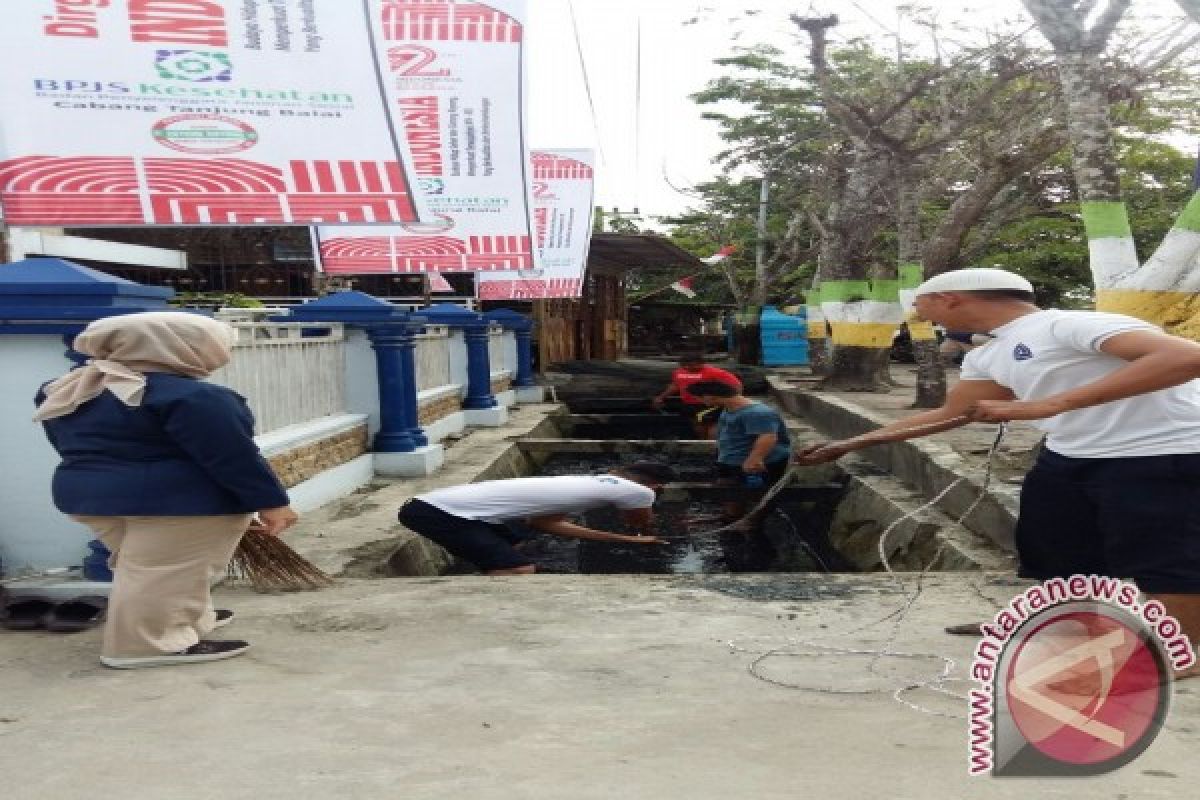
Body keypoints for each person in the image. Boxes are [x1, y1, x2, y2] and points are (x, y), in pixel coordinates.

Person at [795, 267, 1200, 672]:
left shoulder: (1070, 324)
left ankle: (1179, 651)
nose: (923, 318)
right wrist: (851, 443)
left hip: (1162, 451)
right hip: (1069, 454)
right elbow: (954, 414)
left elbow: (1186, 357)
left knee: (1164, 556)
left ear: (950, 299)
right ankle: (1068, 625)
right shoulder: (990, 353)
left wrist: (1051, 404)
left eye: (922, 307)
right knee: (1057, 548)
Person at [35, 312, 298, 669]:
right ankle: (148, 645)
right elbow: (233, 457)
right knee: (165, 570)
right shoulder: (195, 397)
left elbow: (65, 442)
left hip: (89, 496)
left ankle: (188, 619)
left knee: (150, 566)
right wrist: (272, 502)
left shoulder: (68, 389)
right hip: (178, 503)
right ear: (180, 347)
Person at [397, 463, 676, 575]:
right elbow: (639, 523)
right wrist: (639, 534)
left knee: (516, 546)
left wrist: (623, 540)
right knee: (519, 570)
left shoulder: (589, 483)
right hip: (441, 514)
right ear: (655, 485)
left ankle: (492, 569)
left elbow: (544, 524)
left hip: (433, 505)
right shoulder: (640, 492)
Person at [688, 381, 792, 528]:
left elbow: (768, 436)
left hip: (754, 461)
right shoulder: (729, 408)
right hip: (731, 458)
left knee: (757, 492)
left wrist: (755, 458)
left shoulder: (757, 412)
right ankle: (731, 517)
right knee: (728, 488)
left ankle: (752, 523)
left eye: (699, 398)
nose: (699, 401)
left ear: (709, 396)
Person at [651, 354, 743, 438]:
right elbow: (675, 385)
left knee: (712, 425)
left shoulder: (715, 372)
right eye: (685, 365)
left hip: (710, 404)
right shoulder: (679, 372)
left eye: (692, 365)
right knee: (697, 424)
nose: (688, 367)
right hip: (689, 404)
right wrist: (661, 397)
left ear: (702, 363)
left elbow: (736, 384)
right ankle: (703, 443)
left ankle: (713, 444)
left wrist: (732, 401)